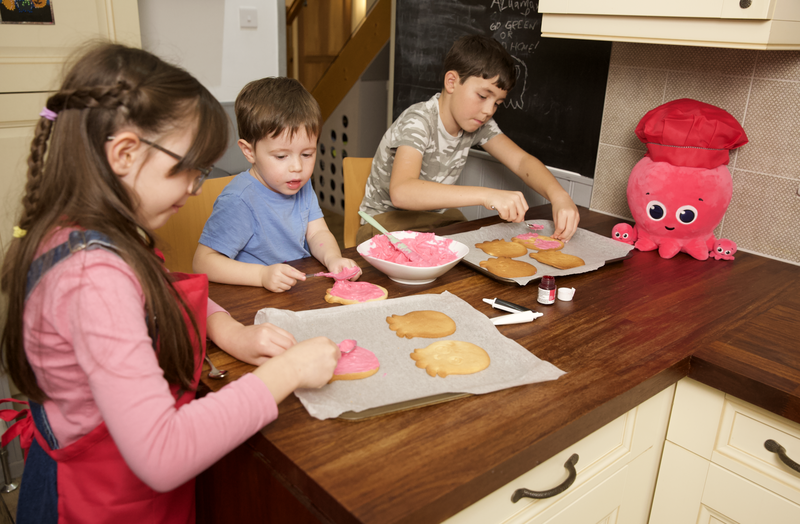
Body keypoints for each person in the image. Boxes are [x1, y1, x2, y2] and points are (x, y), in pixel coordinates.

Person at [0, 43, 340, 523]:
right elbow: (163, 452)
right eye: (187, 168)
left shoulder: (94, 232)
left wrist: (228, 330)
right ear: (124, 153)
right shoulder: (90, 277)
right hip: (97, 501)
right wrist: (287, 372)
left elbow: (162, 293)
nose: (195, 187)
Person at [356, 34, 581, 245]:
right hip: (382, 224)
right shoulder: (418, 121)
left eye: (497, 103)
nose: (488, 110)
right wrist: (487, 194)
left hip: (432, 224)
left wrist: (559, 196)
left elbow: (522, 162)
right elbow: (401, 192)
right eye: (482, 96)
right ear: (452, 82)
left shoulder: (478, 124)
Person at [193, 77, 360, 292]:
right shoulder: (239, 200)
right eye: (281, 156)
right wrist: (262, 275)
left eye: (307, 154)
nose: (297, 167)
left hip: (297, 289)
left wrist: (333, 259)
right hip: (254, 294)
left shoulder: (299, 184)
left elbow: (317, 233)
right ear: (249, 151)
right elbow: (203, 263)